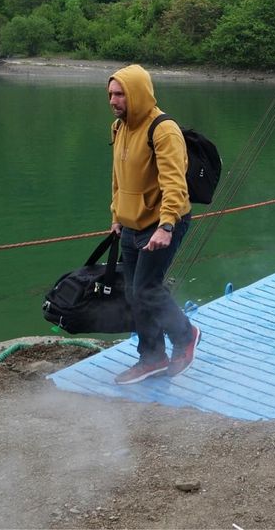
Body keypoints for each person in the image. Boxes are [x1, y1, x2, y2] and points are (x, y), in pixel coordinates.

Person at [106, 64, 200, 385]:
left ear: (137, 94)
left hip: (163, 222)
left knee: (147, 288)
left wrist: (167, 226)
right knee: (134, 293)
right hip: (132, 224)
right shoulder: (119, 128)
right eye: (110, 94)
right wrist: (117, 214)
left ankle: (185, 336)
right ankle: (152, 358)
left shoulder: (163, 129)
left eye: (120, 94)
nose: (113, 100)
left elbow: (175, 183)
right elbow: (119, 177)